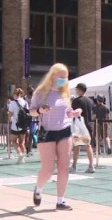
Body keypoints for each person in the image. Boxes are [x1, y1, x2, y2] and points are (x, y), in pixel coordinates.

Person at [30, 63, 82, 210]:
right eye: (61, 77)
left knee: (64, 167)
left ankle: (61, 200)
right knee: (48, 169)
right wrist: (40, 110)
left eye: (65, 78)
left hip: (65, 131)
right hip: (47, 131)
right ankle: (38, 188)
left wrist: (74, 113)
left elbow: (67, 112)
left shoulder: (65, 93)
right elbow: (32, 112)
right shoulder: (40, 93)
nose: (63, 80)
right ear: (52, 76)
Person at [70, 83, 95, 173]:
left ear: (80, 90)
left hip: (79, 126)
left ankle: (74, 166)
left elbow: (73, 113)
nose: (76, 91)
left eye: (77, 89)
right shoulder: (90, 101)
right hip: (88, 125)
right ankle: (91, 165)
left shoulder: (76, 101)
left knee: (77, 146)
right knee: (88, 145)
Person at [8, 88, 29, 163]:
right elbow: (27, 112)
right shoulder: (25, 102)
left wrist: (10, 119)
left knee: (13, 140)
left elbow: (10, 114)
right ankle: (22, 158)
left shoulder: (12, 103)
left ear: (15, 94)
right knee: (22, 141)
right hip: (23, 125)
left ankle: (19, 153)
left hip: (15, 125)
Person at [24, 86, 35, 157]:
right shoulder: (24, 99)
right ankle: (27, 149)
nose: (31, 93)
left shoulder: (35, 99)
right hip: (25, 119)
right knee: (26, 135)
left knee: (31, 134)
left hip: (33, 119)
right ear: (27, 91)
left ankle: (29, 149)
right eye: (30, 91)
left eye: (32, 91)